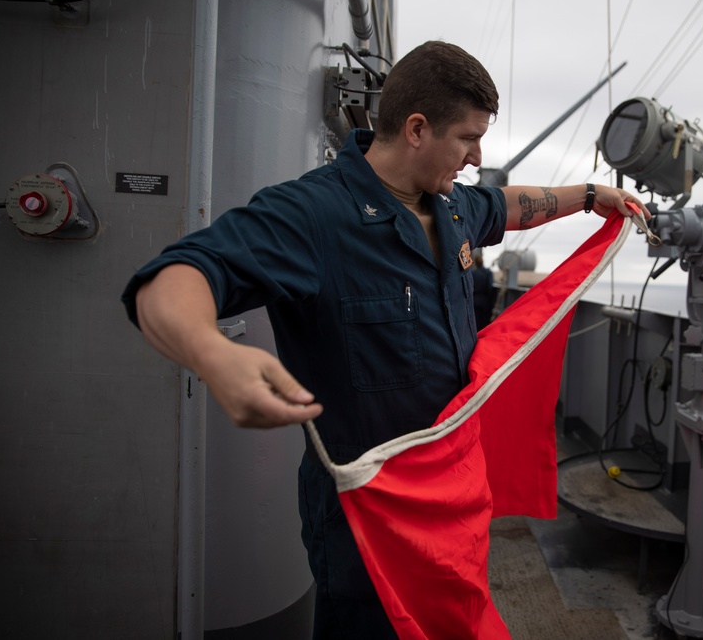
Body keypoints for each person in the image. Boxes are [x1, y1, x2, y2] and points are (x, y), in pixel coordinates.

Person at [122, 40, 648, 639]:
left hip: (453, 495)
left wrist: (587, 197)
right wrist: (214, 355)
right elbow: (169, 283)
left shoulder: (451, 209)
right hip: (368, 515)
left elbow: (510, 205)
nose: (478, 157)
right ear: (418, 128)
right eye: (468, 138)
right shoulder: (311, 215)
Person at [470, 248, 497, 329]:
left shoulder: (472, 273)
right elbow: (490, 287)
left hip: (474, 301)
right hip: (485, 302)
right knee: (484, 323)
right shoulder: (488, 273)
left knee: (475, 322)